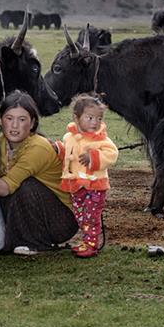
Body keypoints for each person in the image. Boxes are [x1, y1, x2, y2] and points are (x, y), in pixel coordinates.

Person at [0, 91, 77, 256]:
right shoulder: (1, 143)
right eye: (9, 118)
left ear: (32, 123)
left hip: (60, 220)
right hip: (31, 212)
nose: (14, 126)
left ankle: (36, 243)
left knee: (25, 186)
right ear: (0, 120)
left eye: (22, 120)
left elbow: (5, 188)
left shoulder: (37, 148)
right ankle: (11, 238)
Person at [55, 94, 119, 258]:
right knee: (80, 215)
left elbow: (112, 154)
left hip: (94, 185)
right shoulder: (69, 137)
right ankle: (86, 241)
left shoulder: (101, 139)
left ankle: (91, 244)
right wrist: (59, 149)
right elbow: (68, 153)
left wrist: (94, 158)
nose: (95, 122)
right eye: (90, 118)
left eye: (99, 118)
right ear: (76, 118)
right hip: (76, 184)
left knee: (91, 216)